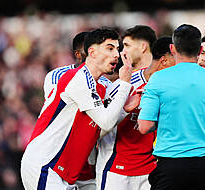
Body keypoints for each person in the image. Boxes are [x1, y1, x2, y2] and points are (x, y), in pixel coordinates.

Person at [20, 28, 133, 190]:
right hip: (45, 164)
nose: (116, 54)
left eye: (117, 49)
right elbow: (106, 123)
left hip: (63, 171)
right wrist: (124, 84)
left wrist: (124, 111)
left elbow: (97, 130)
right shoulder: (78, 78)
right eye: (110, 48)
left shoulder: (99, 86)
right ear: (92, 52)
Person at [137, 24, 205, 190]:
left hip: (169, 166)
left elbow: (144, 127)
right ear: (199, 49)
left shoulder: (158, 79)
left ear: (172, 48)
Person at [96, 36, 175, 190]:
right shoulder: (126, 84)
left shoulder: (171, 89)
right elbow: (101, 126)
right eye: (177, 62)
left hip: (149, 170)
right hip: (116, 169)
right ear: (164, 61)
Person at [42, 31, 113, 190]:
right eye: (88, 52)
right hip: (60, 150)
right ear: (78, 54)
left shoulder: (105, 83)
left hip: (87, 156)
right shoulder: (57, 76)